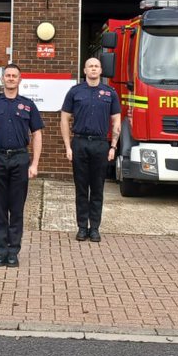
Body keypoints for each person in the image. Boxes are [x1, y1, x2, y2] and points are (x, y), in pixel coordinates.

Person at [0, 63, 43, 268]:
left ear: (20, 80)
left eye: (14, 76)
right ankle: (1, 251)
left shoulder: (28, 105)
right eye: (8, 75)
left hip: (19, 159)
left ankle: (13, 251)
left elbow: (37, 134)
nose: (11, 78)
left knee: (16, 207)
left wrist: (35, 163)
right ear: (2, 79)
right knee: (0, 207)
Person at [60, 57, 122, 243]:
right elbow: (64, 119)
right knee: (81, 188)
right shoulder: (75, 92)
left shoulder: (110, 93)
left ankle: (94, 228)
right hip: (79, 143)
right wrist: (67, 146)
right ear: (84, 70)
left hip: (101, 145)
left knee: (97, 188)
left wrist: (113, 146)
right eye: (90, 66)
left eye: (96, 66)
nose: (93, 69)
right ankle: (81, 228)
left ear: (101, 70)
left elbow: (116, 120)